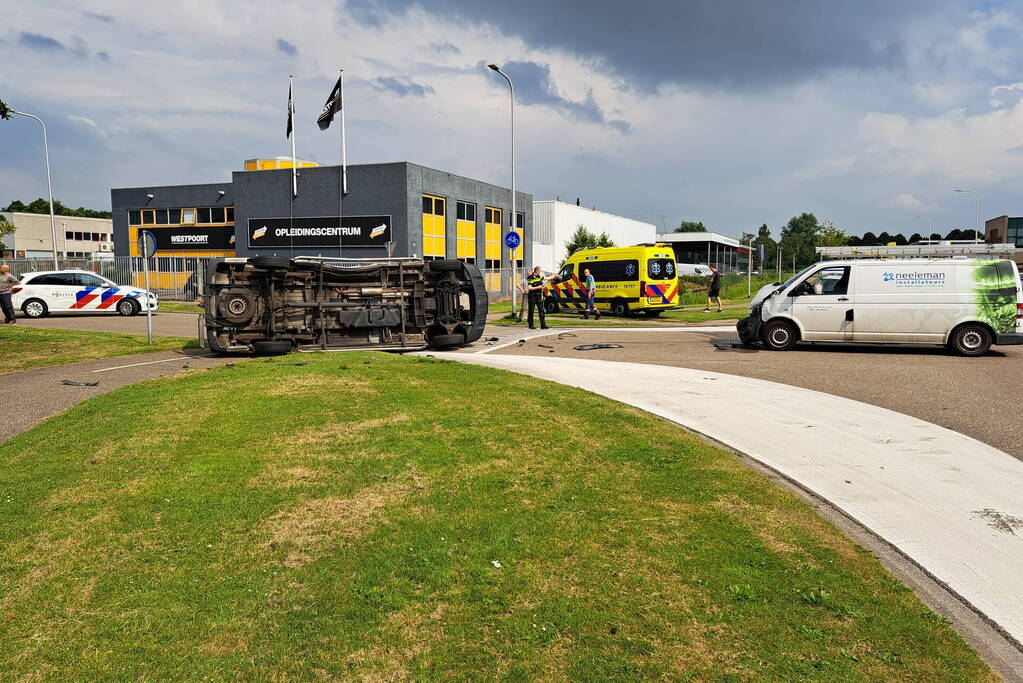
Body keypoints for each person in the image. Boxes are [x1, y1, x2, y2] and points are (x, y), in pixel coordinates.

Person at [525, 266, 549, 330]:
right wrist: (538, 287)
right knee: (531, 311)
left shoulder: (539, 277)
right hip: (532, 296)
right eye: (540, 271)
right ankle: (531, 324)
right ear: (537, 271)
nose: (540, 272)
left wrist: (555, 276)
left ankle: (543, 325)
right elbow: (529, 288)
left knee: (541, 310)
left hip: (538, 296)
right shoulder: (530, 277)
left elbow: (546, 278)